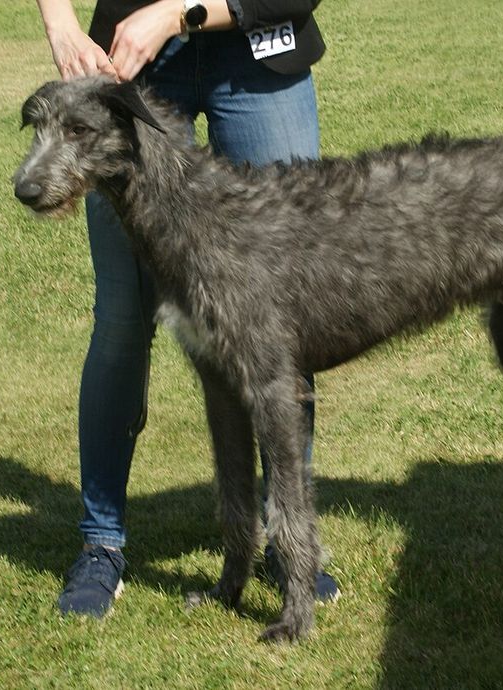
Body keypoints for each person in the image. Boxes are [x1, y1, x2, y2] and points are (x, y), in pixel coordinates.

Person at [33, 0, 339, 617]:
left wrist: (179, 13)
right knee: (123, 317)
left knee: (278, 315)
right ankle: (102, 541)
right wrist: (60, 22)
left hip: (258, 53)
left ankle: (289, 541)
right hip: (125, 67)